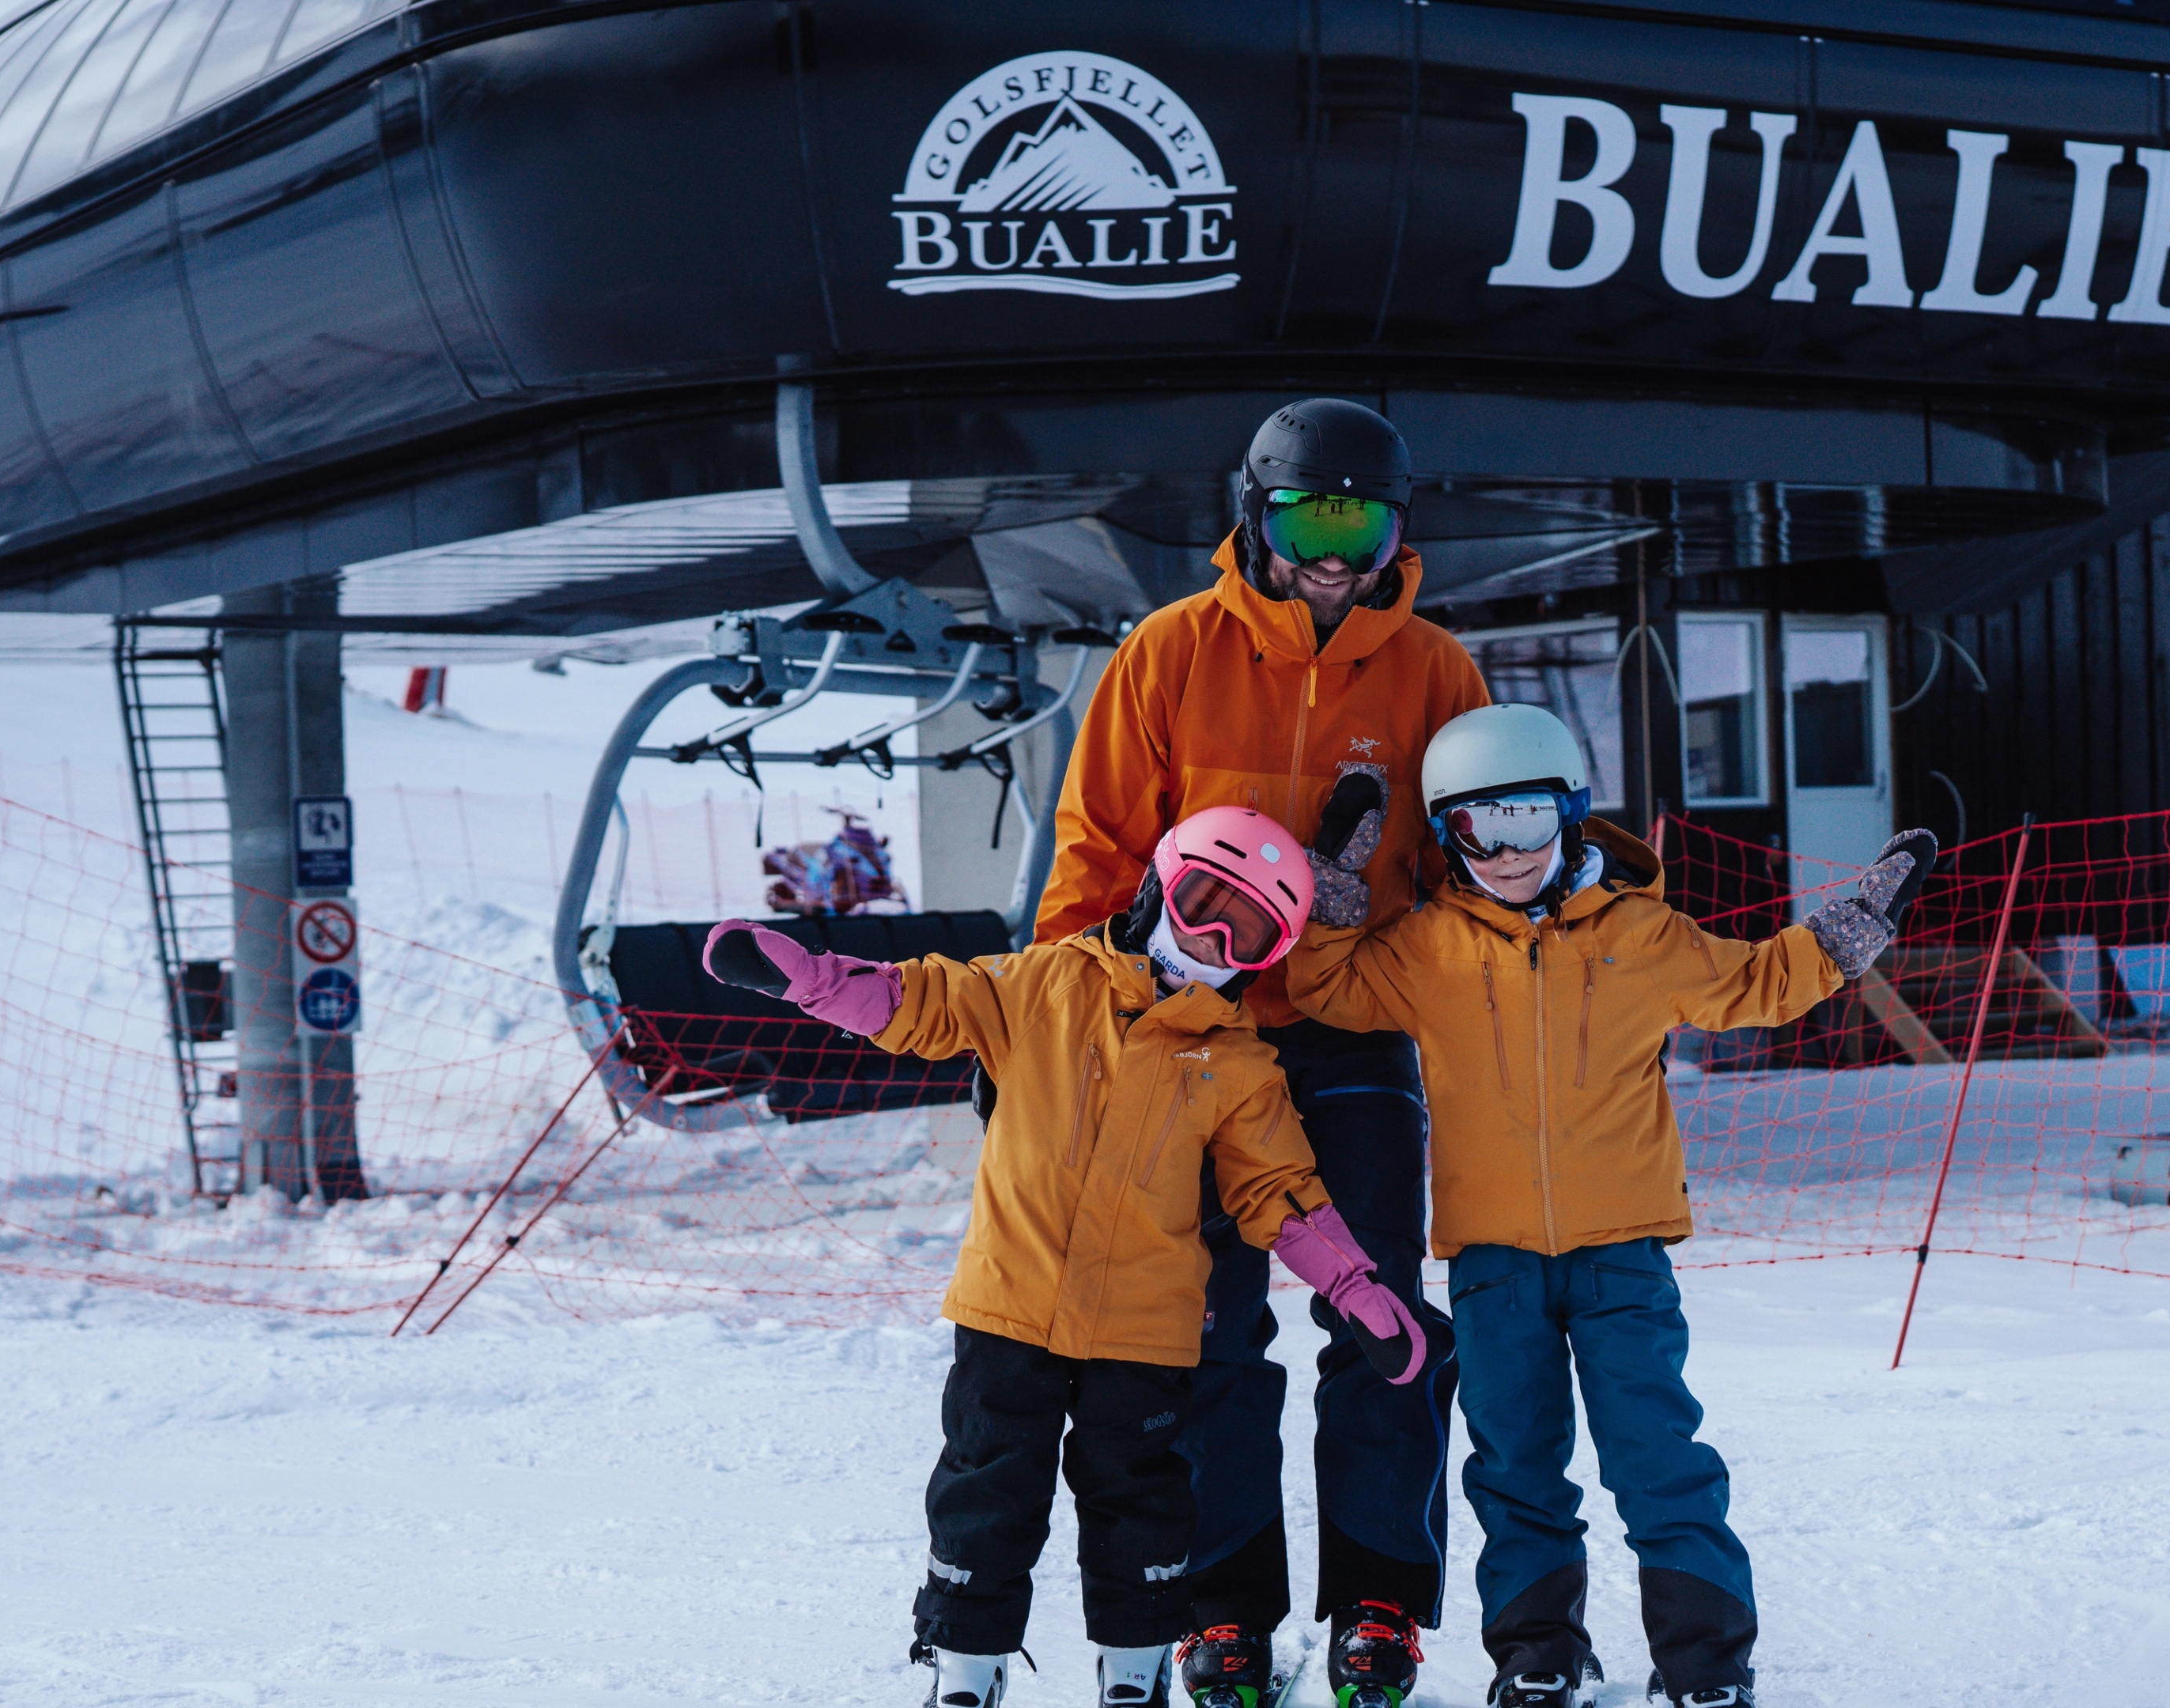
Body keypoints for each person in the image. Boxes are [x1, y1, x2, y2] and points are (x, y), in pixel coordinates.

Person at [701, 807, 1438, 1708]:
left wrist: (1356, 1287)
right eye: (1205, 901)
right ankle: (967, 1673)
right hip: (1011, 1307)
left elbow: (1279, 1192)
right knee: (985, 1492)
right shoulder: (1044, 984)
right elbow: (926, 1001)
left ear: (1264, 955)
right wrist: (815, 981)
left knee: (1142, 1506)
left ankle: (1133, 1677)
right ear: (1161, 885)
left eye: (1243, 931)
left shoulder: (1239, 1065)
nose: (1210, 937)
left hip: (1143, 1333)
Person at [1283, 704, 1935, 1708]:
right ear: (1448, 837)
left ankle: (1706, 1663)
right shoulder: (1427, 948)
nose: (1505, 854)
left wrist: (1852, 930)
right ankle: (1538, 1653)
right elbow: (1327, 989)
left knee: (1658, 1456)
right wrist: (1335, 884)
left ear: (1573, 816)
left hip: (1625, 1256)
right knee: (1515, 1467)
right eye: (1475, 830)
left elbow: (1758, 983)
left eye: (1526, 822)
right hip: (1494, 1261)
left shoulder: (1644, 935)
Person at [1035, 399, 1489, 1706]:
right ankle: (1222, 1610)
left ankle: (1382, 1607)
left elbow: (1471, 873)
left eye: (1363, 519)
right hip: (1197, 1040)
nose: (1335, 550)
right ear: (1259, 512)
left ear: (1398, 525)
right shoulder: (1169, 652)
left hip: (1354, 1037)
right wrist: (1082, 1014)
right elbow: (1096, 844)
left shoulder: (1437, 674)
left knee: (1383, 1322)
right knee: (1210, 1332)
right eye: (1310, 516)